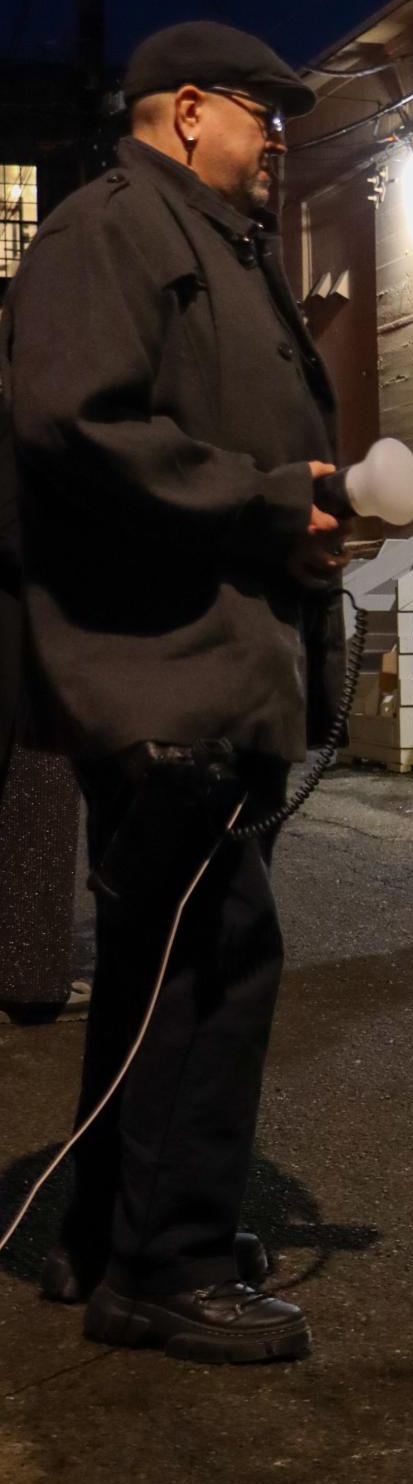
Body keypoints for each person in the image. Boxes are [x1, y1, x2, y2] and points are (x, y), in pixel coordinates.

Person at [2, 20, 344, 1364]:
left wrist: (296, 511)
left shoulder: (202, 237)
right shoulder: (112, 229)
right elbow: (72, 423)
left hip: (204, 656)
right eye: (265, 111)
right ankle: (171, 1265)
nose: (279, 140)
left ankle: (110, 1233)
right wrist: (269, 502)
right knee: (213, 961)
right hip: (158, 664)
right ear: (185, 109)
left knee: (162, 964)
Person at [0, 389, 85, 1026]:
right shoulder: (17, 420)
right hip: (25, 644)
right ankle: (32, 981)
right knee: (40, 797)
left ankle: (31, 974)